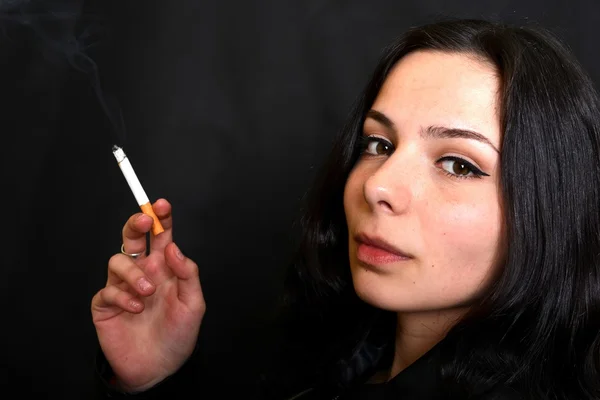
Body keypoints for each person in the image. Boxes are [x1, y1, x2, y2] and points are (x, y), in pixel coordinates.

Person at [91, 18, 600, 399]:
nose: (379, 185)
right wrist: (152, 380)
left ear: (548, 204)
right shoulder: (336, 366)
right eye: (378, 144)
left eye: (459, 165)